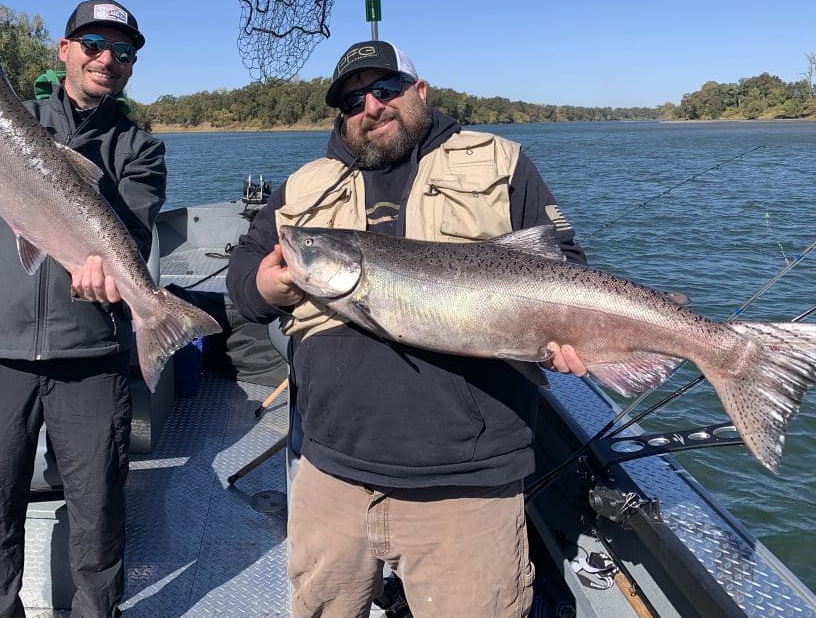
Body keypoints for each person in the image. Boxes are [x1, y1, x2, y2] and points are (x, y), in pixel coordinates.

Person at [226, 40, 589, 618]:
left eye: (386, 89)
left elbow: (565, 263)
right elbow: (245, 275)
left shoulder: (501, 161)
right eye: (351, 100)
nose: (370, 106)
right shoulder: (304, 186)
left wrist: (566, 336)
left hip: (468, 480)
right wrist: (266, 287)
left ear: (420, 92)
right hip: (331, 471)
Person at [0, 0, 165, 618]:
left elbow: (135, 235)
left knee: (98, 513)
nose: (108, 60)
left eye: (124, 52)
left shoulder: (139, 146)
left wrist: (122, 284)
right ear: (63, 51)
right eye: (94, 45)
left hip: (91, 356)